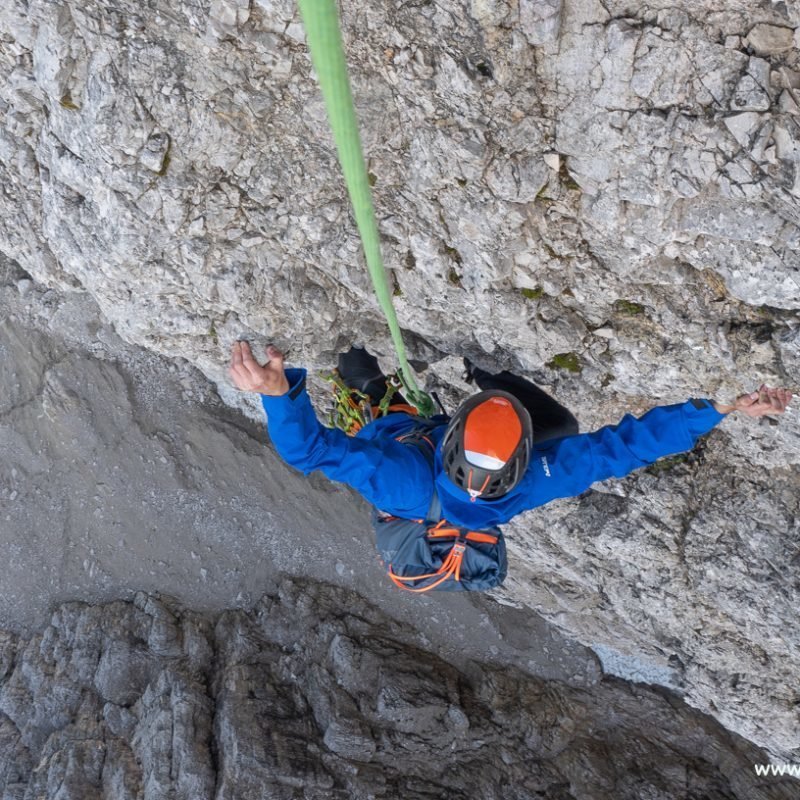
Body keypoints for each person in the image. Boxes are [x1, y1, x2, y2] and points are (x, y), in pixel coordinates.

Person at [228, 341, 792, 531]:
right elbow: (628, 447)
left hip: (400, 435)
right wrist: (720, 409)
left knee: (362, 376)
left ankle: (373, 374)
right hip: (416, 442)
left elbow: (310, 450)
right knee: (566, 429)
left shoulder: (393, 478)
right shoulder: (539, 479)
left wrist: (279, 396)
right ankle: (477, 375)